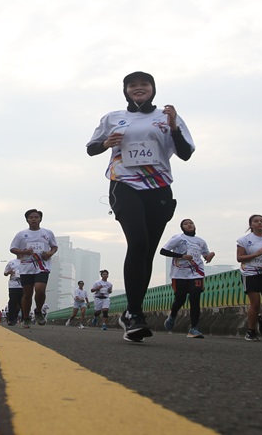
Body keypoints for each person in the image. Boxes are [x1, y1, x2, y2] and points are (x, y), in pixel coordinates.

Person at [86, 71, 195, 343]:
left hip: (158, 187)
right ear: (125, 90)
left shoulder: (167, 116)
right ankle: (135, 314)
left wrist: (173, 126)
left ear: (152, 89)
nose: (138, 88)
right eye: (132, 85)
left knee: (147, 252)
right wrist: (106, 143)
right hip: (124, 184)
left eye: (144, 84)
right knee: (137, 242)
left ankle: (131, 313)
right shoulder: (112, 117)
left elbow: (185, 153)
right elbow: (91, 148)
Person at [160, 218, 214, 338]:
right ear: (182, 228)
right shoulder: (178, 238)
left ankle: (194, 328)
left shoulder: (201, 241)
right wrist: (182, 256)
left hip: (196, 273)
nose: (189, 225)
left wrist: (210, 255)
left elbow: (205, 256)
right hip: (179, 274)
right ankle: (172, 315)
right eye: (186, 224)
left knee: (195, 299)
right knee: (180, 299)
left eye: (191, 223)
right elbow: (163, 251)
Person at [9, 209, 57, 328]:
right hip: (27, 267)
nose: (34, 219)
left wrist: (49, 253)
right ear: (27, 220)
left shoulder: (47, 233)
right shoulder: (21, 234)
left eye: (36, 217)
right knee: (27, 294)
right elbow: (13, 248)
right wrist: (24, 252)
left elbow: (54, 247)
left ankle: (38, 311)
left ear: (40, 219)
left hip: (42, 266)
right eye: (31, 217)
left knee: (40, 290)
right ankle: (26, 318)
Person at [3, 257, 23, 326]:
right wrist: (9, 272)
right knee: (12, 301)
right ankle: (11, 319)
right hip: (13, 285)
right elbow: (5, 273)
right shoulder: (11, 262)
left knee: (22, 302)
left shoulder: (28, 261)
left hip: (24, 285)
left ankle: (24, 319)